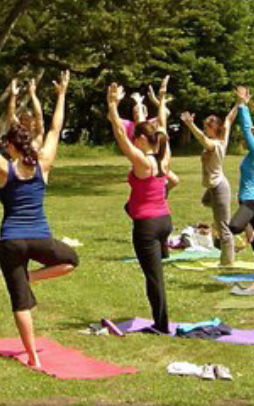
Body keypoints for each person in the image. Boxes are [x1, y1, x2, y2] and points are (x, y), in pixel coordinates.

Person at [0, 71, 78, 369]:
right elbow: (56, 129)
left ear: (11, 146)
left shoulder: (3, 169)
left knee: (20, 302)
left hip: (11, 242)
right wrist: (61, 95)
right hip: (39, 238)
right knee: (71, 261)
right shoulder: (43, 165)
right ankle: (32, 278)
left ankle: (32, 357)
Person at [107, 81, 173, 335]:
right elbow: (163, 127)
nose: (134, 141)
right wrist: (158, 102)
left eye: (138, 138)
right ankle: (163, 253)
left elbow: (121, 136)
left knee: (153, 277)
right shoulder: (164, 157)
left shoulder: (143, 163)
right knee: (130, 205)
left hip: (147, 225)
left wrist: (113, 104)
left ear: (144, 140)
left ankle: (161, 324)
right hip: (164, 219)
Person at [180, 95, 240, 266]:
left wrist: (190, 125)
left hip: (219, 187)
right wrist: (238, 103)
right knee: (206, 202)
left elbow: (201, 139)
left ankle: (227, 262)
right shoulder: (223, 137)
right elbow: (229, 119)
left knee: (224, 228)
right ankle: (224, 211)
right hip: (212, 187)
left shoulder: (214, 144)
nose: (205, 130)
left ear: (214, 129)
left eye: (207, 127)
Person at [225, 86, 254, 291]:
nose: (251, 133)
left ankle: (245, 236)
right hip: (253, 202)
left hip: (250, 203)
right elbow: (250, 128)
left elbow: (246, 126)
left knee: (233, 227)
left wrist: (242, 105)